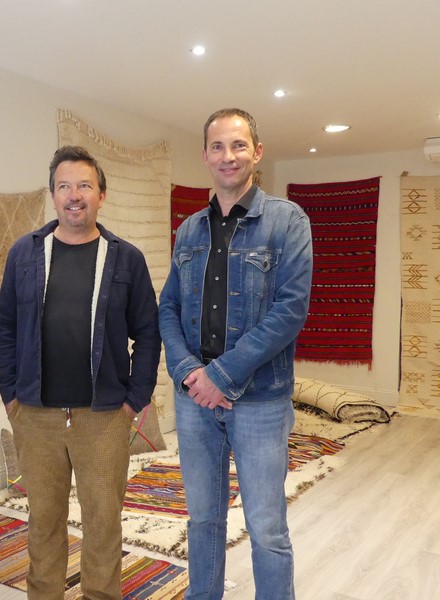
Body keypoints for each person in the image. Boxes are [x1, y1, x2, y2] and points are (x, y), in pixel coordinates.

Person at [0, 145, 161, 599]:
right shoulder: (24, 254)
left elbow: (149, 333)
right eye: (64, 186)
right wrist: (11, 394)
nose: (74, 195)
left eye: (84, 185)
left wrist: (134, 400)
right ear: (52, 195)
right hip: (36, 415)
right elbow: (5, 325)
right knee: (43, 522)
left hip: (103, 417)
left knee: (103, 523)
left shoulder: (126, 259)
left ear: (101, 195)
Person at [159, 108, 313, 600]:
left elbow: (289, 311)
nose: (228, 156)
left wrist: (220, 376)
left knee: (266, 528)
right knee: (202, 519)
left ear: (257, 152)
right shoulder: (189, 230)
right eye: (218, 147)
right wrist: (190, 372)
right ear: (205, 155)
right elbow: (168, 307)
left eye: (239, 145)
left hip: (261, 401)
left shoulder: (287, 221)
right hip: (194, 402)